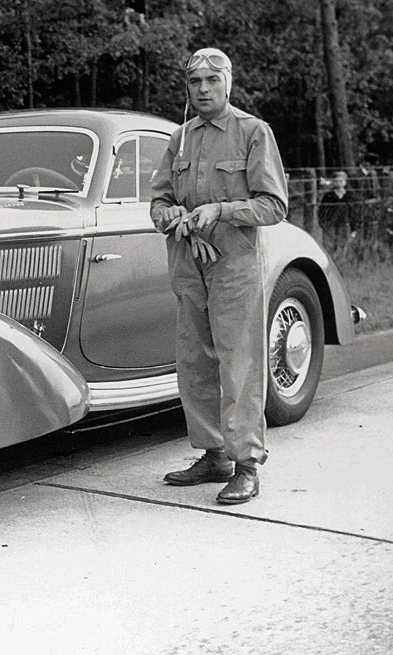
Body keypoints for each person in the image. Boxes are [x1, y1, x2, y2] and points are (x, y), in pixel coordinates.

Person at [149, 48, 288, 505]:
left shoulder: (253, 132)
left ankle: (246, 464)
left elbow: (274, 206)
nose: (204, 89)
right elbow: (157, 203)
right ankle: (214, 456)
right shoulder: (180, 139)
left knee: (240, 363)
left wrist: (220, 210)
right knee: (194, 362)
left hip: (234, 266)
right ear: (187, 88)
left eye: (212, 80)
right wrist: (174, 217)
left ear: (228, 83)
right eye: (195, 82)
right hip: (189, 264)